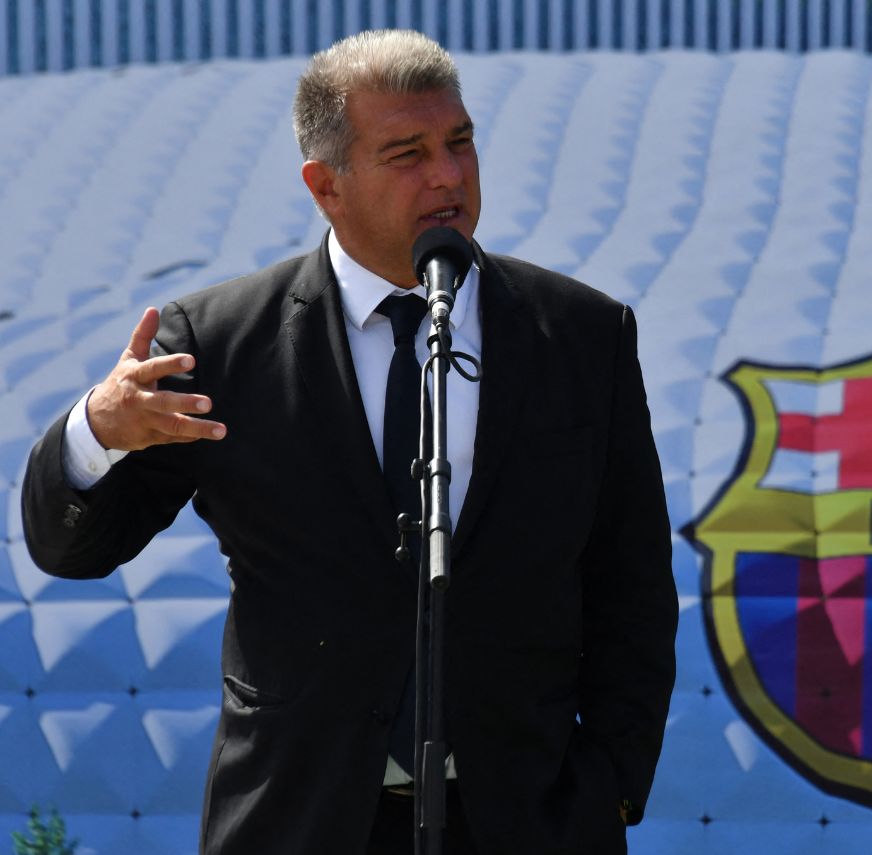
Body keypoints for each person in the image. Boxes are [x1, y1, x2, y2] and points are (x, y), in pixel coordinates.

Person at [21, 30, 677, 855]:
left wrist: (610, 789)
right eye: (407, 153)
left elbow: (635, 590)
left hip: (528, 820)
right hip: (301, 817)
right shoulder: (223, 345)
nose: (448, 174)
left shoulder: (581, 336)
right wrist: (95, 432)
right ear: (326, 185)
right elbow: (70, 549)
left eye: (460, 141)